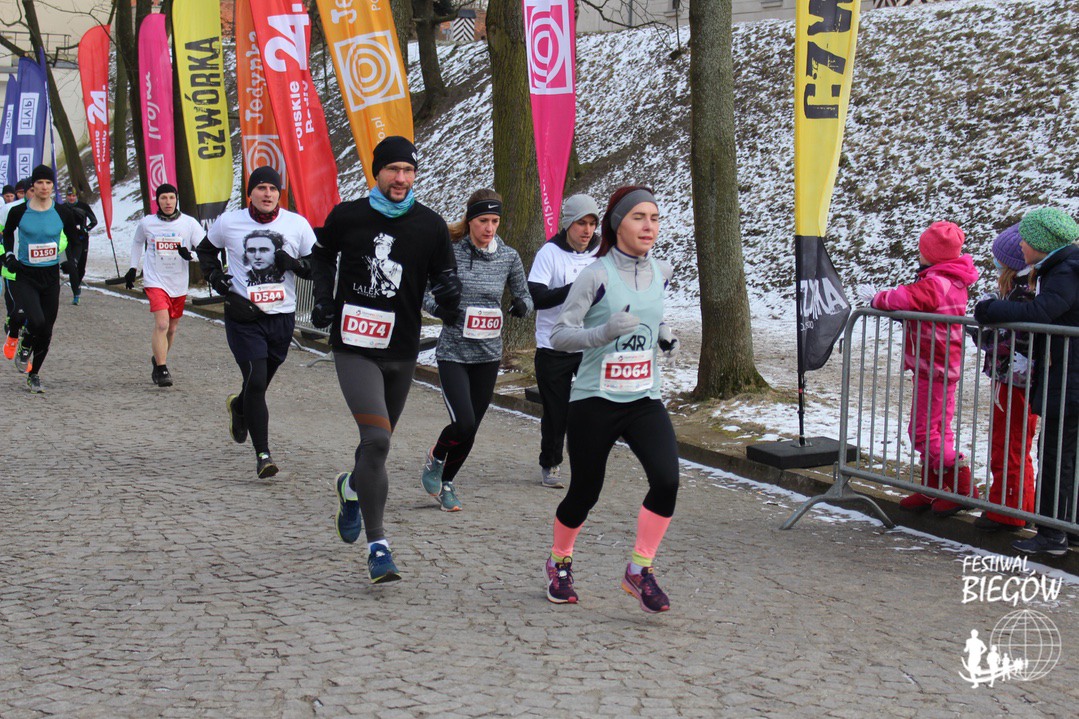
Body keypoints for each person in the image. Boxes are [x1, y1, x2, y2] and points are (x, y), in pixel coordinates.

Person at [310, 135, 461, 584]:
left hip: (401, 350)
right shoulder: (349, 216)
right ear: (376, 172)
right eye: (393, 169)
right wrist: (323, 298)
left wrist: (450, 298)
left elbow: (444, 278)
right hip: (355, 345)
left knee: (376, 445)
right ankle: (379, 548)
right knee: (376, 440)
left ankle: (351, 487)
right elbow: (321, 256)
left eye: (408, 170)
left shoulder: (430, 226)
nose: (401, 178)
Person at [543, 185, 680, 613]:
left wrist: (662, 334)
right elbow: (560, 335)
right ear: (618, 224)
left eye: (654, 218)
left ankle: (640, 569)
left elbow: (649, 313)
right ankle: (559, 562)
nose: (649, 226)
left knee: (667, 480)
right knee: (585, 492)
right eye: (639, 217)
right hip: (595, 400)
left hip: (644, 399)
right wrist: (602, 333)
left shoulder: (663, 271)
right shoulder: (595, 275)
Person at [196, 166, 316, 478]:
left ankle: (239, 406)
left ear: (279, 194)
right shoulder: (229, 222)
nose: (267, 194)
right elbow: (205, 250)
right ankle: (263, 455)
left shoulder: (296, 224)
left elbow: (317, 265)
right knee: (258, 381)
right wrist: (214, 276)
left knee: (256, 384)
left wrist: (295, 264)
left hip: (281, 317)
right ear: (250, 193)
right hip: (244, 316)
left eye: (273, 189)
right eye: (261, 188)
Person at [419, 189, 532, 511]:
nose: (489, 228)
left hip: (488, 355)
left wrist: (522, 306)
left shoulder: (508, 256)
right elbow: (422, 291)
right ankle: (436, 456)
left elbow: (525, 296)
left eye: (495, 221)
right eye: (483, 220)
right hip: (454, 353)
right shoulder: (450, 252)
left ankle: (447, 483)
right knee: (464, 423)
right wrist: (441, 311)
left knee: (471, 430)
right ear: (470, 220)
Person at [857, 221, 980, 515]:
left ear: (933, 254)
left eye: (923, 250)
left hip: (933, 367)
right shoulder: (952, 281)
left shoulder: (937, 283)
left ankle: (962, 485)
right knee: (938, 429)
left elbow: (907, 297)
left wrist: (877, 298)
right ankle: (932, 488)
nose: (919, 255)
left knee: (922, 432)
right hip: (940, 366)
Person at [975, 207, 1079, 556]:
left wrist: (991, 310)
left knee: (1056, 455)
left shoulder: (1065, 272)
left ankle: (1052, 535)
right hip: (1067, 372)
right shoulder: (1065, 268)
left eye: (1026, 239)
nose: (1020, 245)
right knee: (1066, 455)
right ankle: (1067, 527)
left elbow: (1039, 312)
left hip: (1069, 376)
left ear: (1042, 243)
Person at [528, 194, 602, 488]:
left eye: (592, 224)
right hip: (554, 345)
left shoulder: (603, 252)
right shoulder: (550, 253)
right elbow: (537, 297)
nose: (587, 230)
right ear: (568, 223)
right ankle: (551, 464)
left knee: (594, 408)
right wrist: (576, 289)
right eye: (581, 223)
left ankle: (589, 462)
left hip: (590, 344)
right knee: (556, 412)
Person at [969, 225, 1038, 532]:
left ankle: (1009, 511)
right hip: (1012, 377)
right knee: (1012, 443)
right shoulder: (1021, 292)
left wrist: (983, 333)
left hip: (1014, 379)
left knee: (1009, 443)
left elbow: (1013, 340)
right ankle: (1019, 504)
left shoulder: (1022, 296)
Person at [0, 165, 84, 393]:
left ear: (53, 186)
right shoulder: (19, 212)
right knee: (36, 321)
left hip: (50, 276)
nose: (44, 187)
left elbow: (75, 241)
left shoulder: (62, 212)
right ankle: (25, 343)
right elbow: (7, 234)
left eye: (48, 183)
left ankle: (34, 374)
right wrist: (9, 256)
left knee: (46, 329)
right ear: (33, 186)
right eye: (40, 183)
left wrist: (71, 261)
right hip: (26, 275)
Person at [125, 183, 205, 387]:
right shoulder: (147, 223)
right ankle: (162, 368)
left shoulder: (189, 223)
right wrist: (133, 268)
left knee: (171, 328)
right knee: (162, 324)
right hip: (155, 280)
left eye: (171, 197)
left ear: (176, 199)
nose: (168, 202)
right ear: (157, 201)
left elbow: (206, 249)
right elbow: (137, 242)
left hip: (178, 282)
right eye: (163, 198)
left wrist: (191, 255)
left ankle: (158, 358)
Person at [1, 181, 28, 360]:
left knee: (38, 316)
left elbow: (62, 237)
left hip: (38, 270)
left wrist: (53, 251)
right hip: (12, 268)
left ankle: (26, 346)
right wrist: (5, 255)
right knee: (17, 308)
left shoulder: (49, 210)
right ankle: (13, 328)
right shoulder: (9, 210)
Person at [64, 186, 97, 305]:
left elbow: (94, 221)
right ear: (66, 196)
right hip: (67, 240)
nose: (71, 198)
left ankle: (77, 285)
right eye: (69, 196)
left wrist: (85, 229)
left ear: (77, 196)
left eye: (73, 196)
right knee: (71, 266)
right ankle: (76, 293)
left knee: (81, 267)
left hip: (82, 239)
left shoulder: (83, 206)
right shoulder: (62, 207)